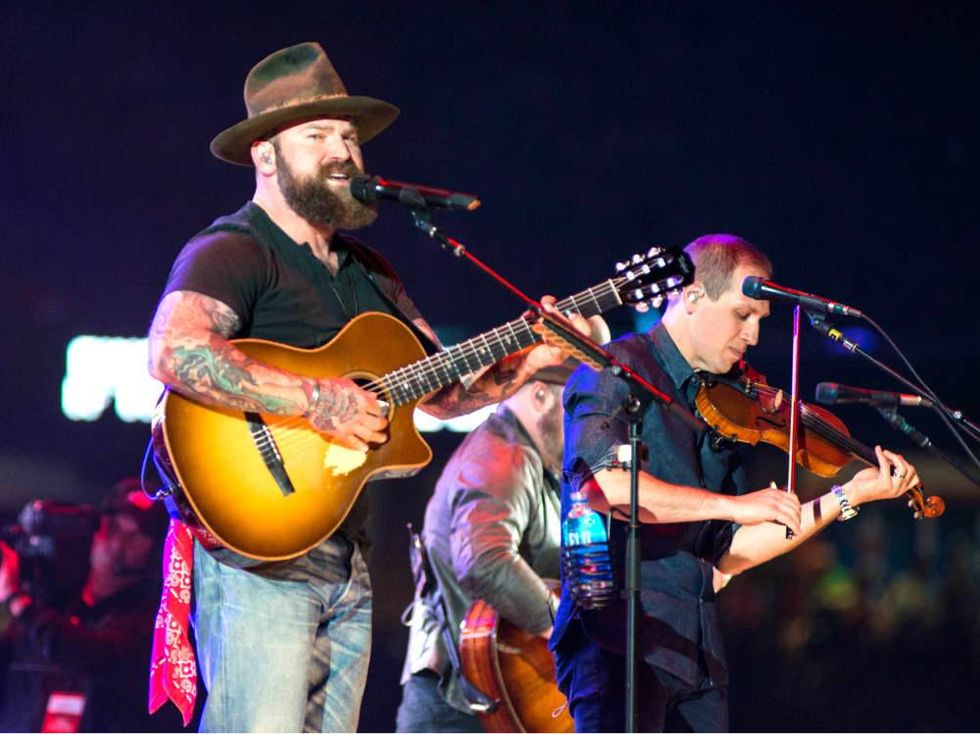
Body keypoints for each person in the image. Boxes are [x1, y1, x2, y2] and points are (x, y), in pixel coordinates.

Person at [145, 42, 585, 733]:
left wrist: (522, 364)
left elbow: (438, 393)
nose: (342, 150)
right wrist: (316, 400)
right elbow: (175, 352)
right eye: (316, 134)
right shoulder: (233, 249)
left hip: (347, 559)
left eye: (348, 134)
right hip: (257, 558)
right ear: (266, 154)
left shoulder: (372, 274)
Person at [550, 234, 922, 732]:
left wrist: (846, 497)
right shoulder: (613, 370)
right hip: (619, 642)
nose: (752, 336)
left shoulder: (723, 405)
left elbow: (729, 553)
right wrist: (733, 505)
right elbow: (606, 488)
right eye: (741, 315)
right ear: (692, 295)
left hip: (696, 649)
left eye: (760, 322)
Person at [395, 315, 608, 733]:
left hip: (492, 700)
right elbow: (485, 560)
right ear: (541, 395)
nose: (591, 427)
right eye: (580, 408)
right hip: (460, 709)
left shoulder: (544, 463)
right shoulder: (502, 456)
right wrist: (567, 632)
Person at [0, 479, 184, 732]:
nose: (118, 541)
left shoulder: (152, 624)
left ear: (156, 549)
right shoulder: (53, 604)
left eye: (137, 534)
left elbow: (90, 659)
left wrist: (15, 599)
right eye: (114, 526)